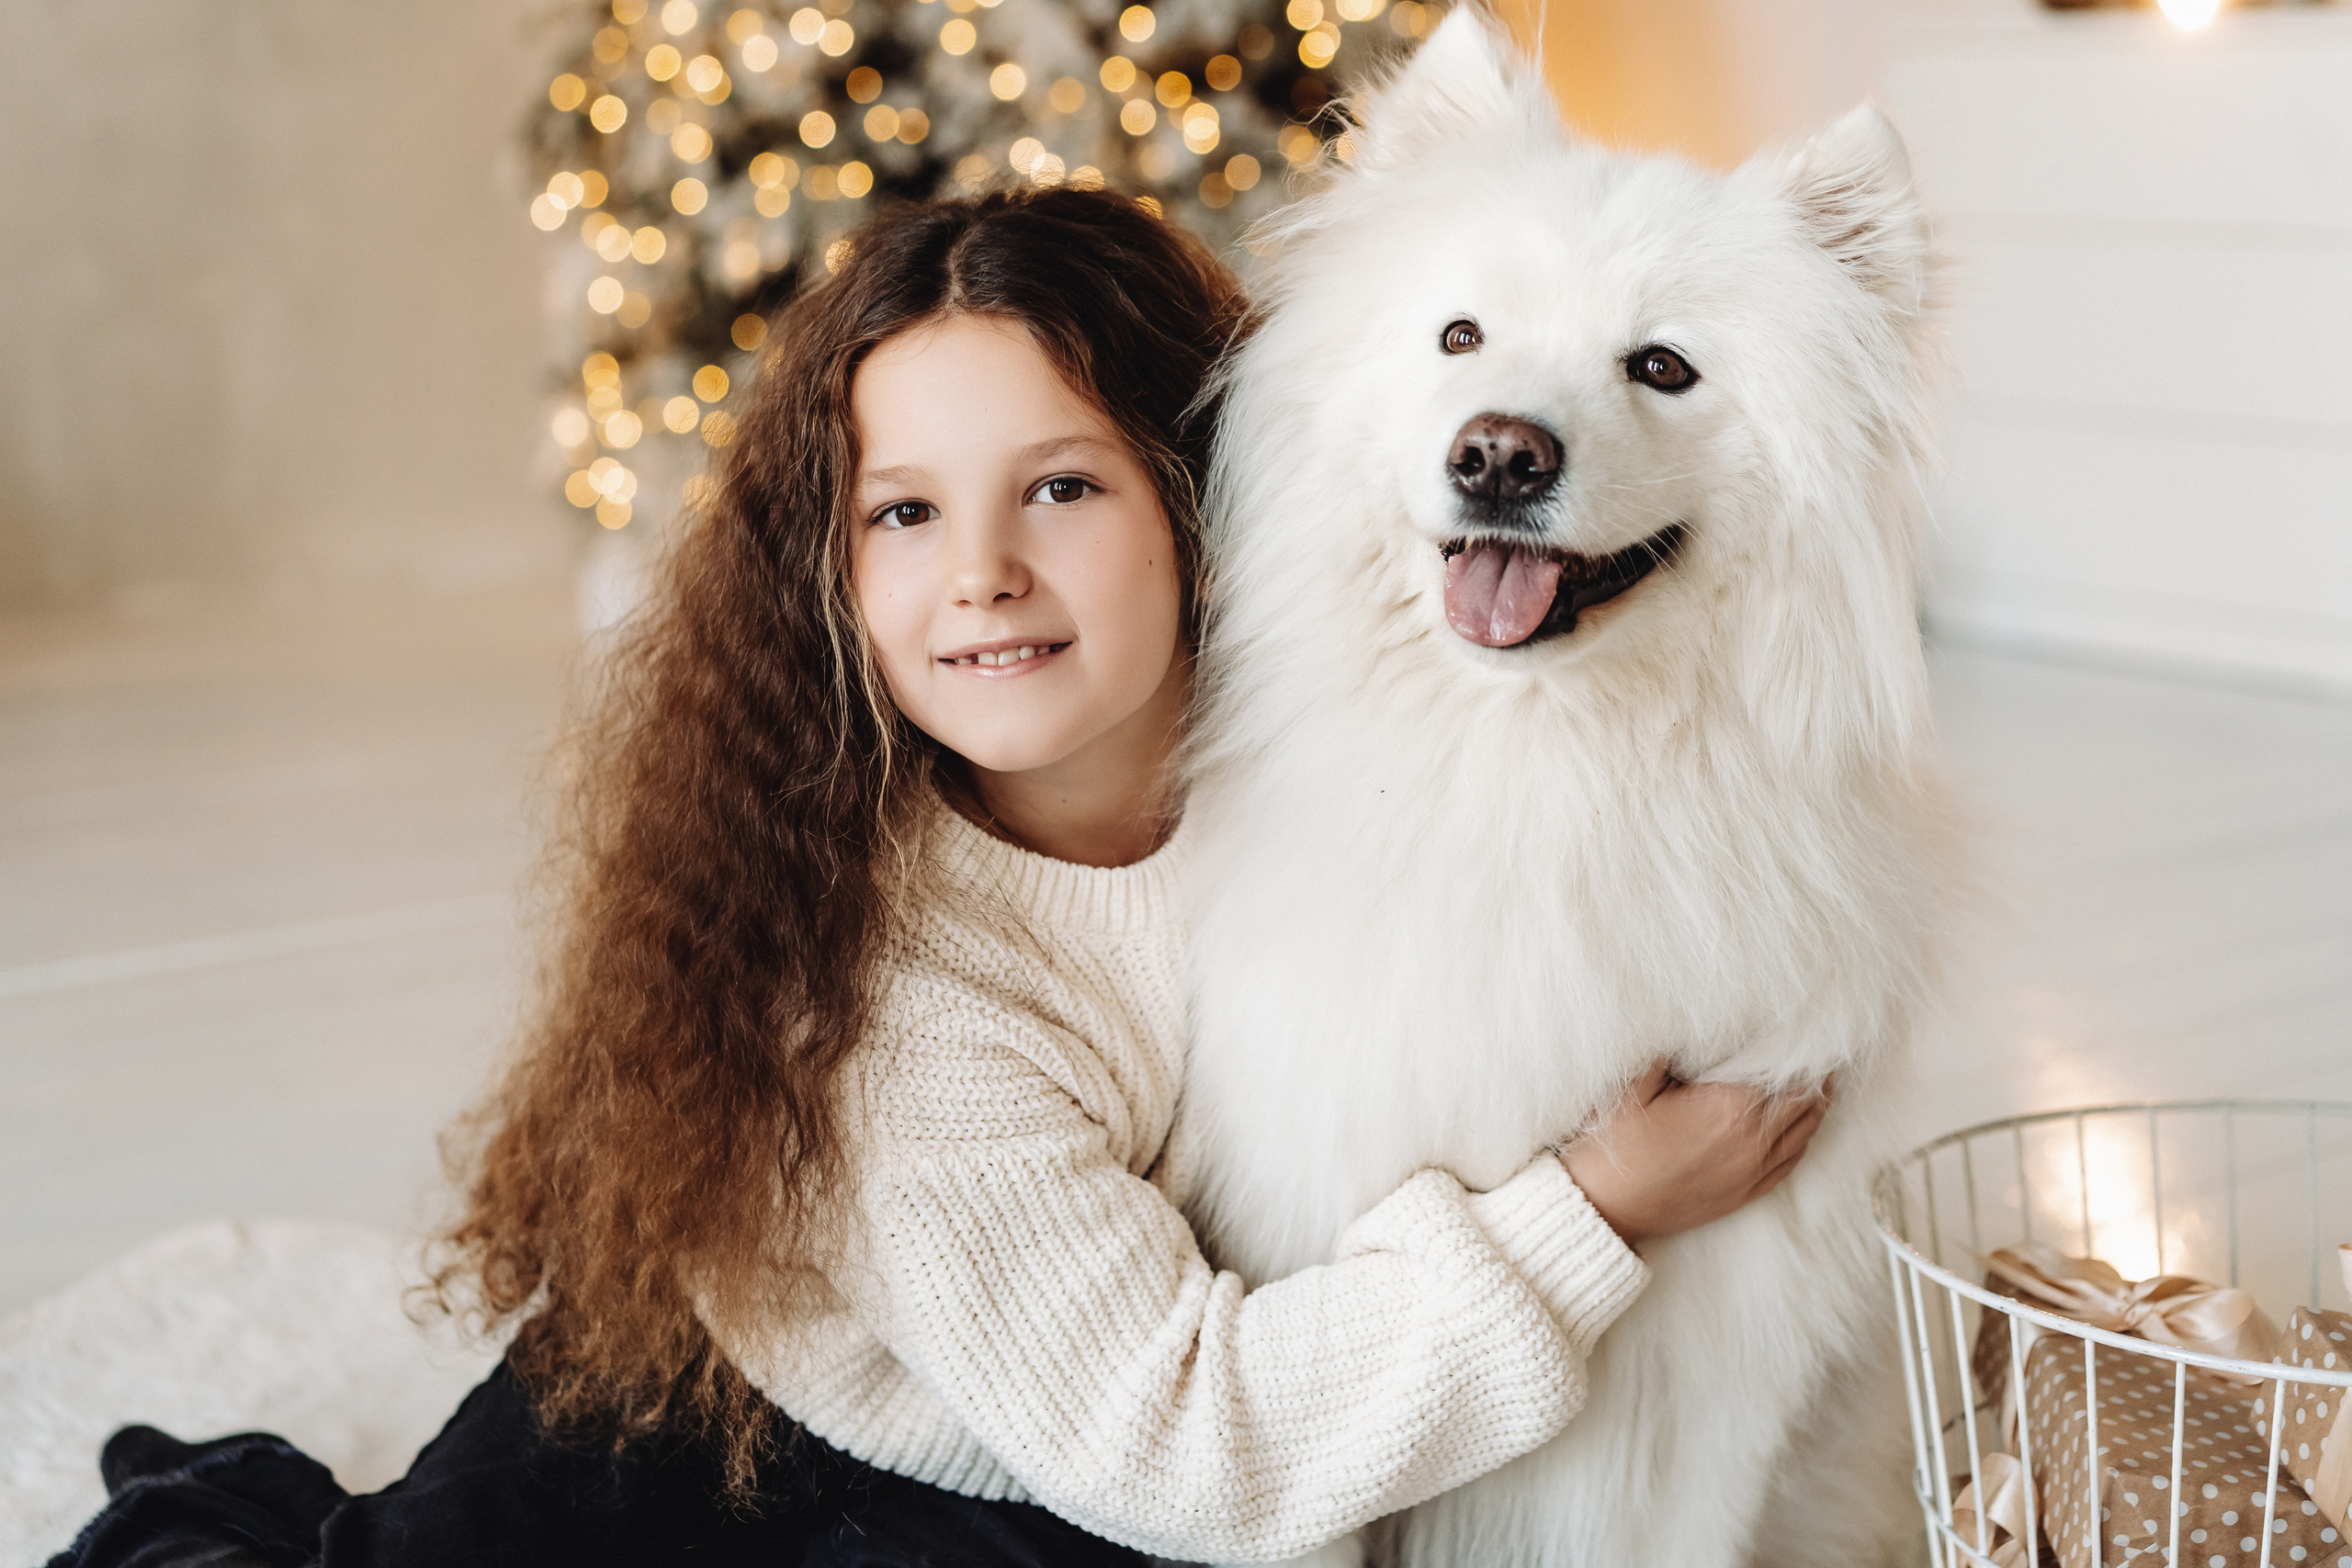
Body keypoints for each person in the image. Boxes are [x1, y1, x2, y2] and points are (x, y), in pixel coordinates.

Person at [53, 186, 1830, 1568]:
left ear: (1200, 493)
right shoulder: (910, 1005)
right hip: (741, 1441)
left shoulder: (1330, 758)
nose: (979, 572)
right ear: (831, 574)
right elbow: (1191, 1444)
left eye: (1059, 490)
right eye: (903, 512)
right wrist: (1596, 1206)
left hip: (1054, 1423)